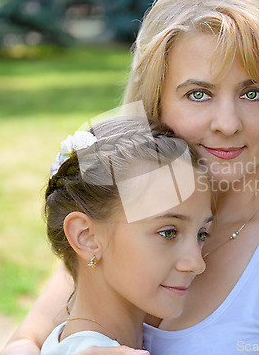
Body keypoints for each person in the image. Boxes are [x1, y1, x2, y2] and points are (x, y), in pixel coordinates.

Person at [1, 0, 259, 355]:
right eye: (198, 94)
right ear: (155, 103)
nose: (227, 123)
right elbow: (26, 341)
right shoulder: (129, 195)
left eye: (253, 93)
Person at [38, 116, 213, 354]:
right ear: (86, 236)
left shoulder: (59, 341)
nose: (197, 263)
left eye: (202, 235)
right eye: (168, 232)